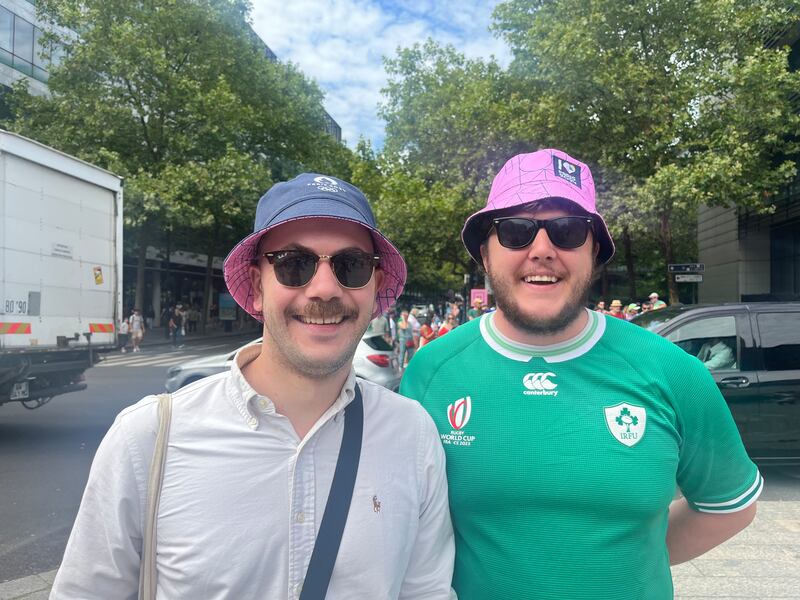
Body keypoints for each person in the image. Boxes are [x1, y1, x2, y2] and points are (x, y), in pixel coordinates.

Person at [51, 173, 455, 599]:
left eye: (350, 265)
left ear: (374, 286)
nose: (323, 289)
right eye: (293, 265)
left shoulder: (412, 435)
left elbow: (426, 591)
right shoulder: (148, 439)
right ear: (257, 286)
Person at [401, 149, 760, 600]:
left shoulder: (673, 372)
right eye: (515, 231)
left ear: (594, 252)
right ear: (485, 255)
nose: (542, 250)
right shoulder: (432, 371)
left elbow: (728, 508)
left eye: (568, 231)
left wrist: (629, 558)